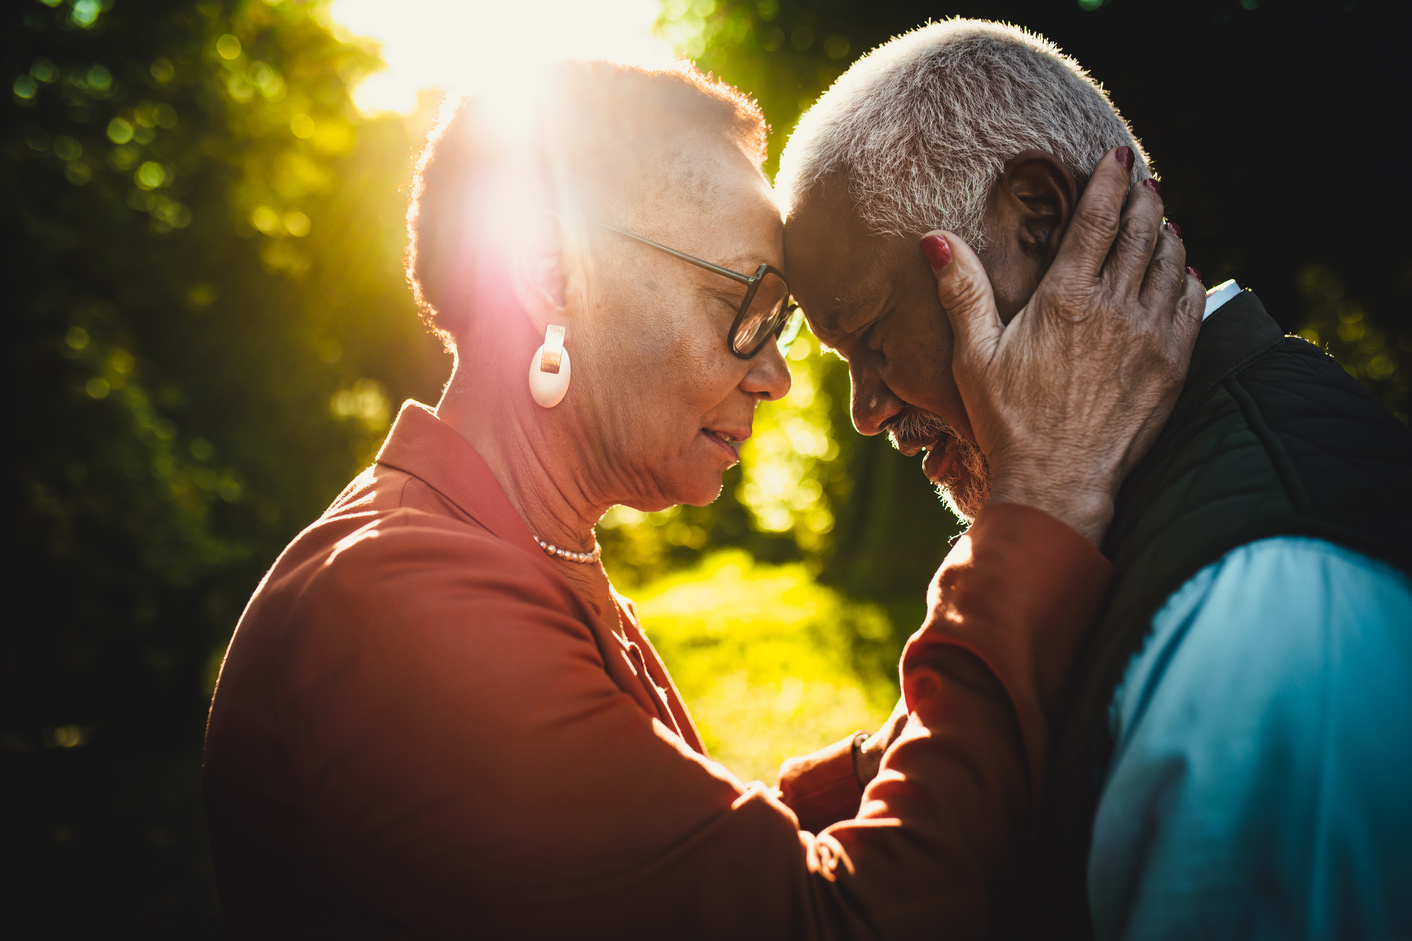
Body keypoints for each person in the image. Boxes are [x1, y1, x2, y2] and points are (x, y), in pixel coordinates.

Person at [201, 60, 1199, 938]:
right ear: (551, 274)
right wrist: (1041, 505)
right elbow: (837, 922)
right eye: (746, 306)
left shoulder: (507, 548)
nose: (777, 375)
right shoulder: (402, 608)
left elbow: (681, 876)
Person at [777, 19, 1412, 941]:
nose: (864, 410)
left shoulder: (1267, 612)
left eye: (872, 337)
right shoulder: (1125, 518)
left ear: (1035, 220)